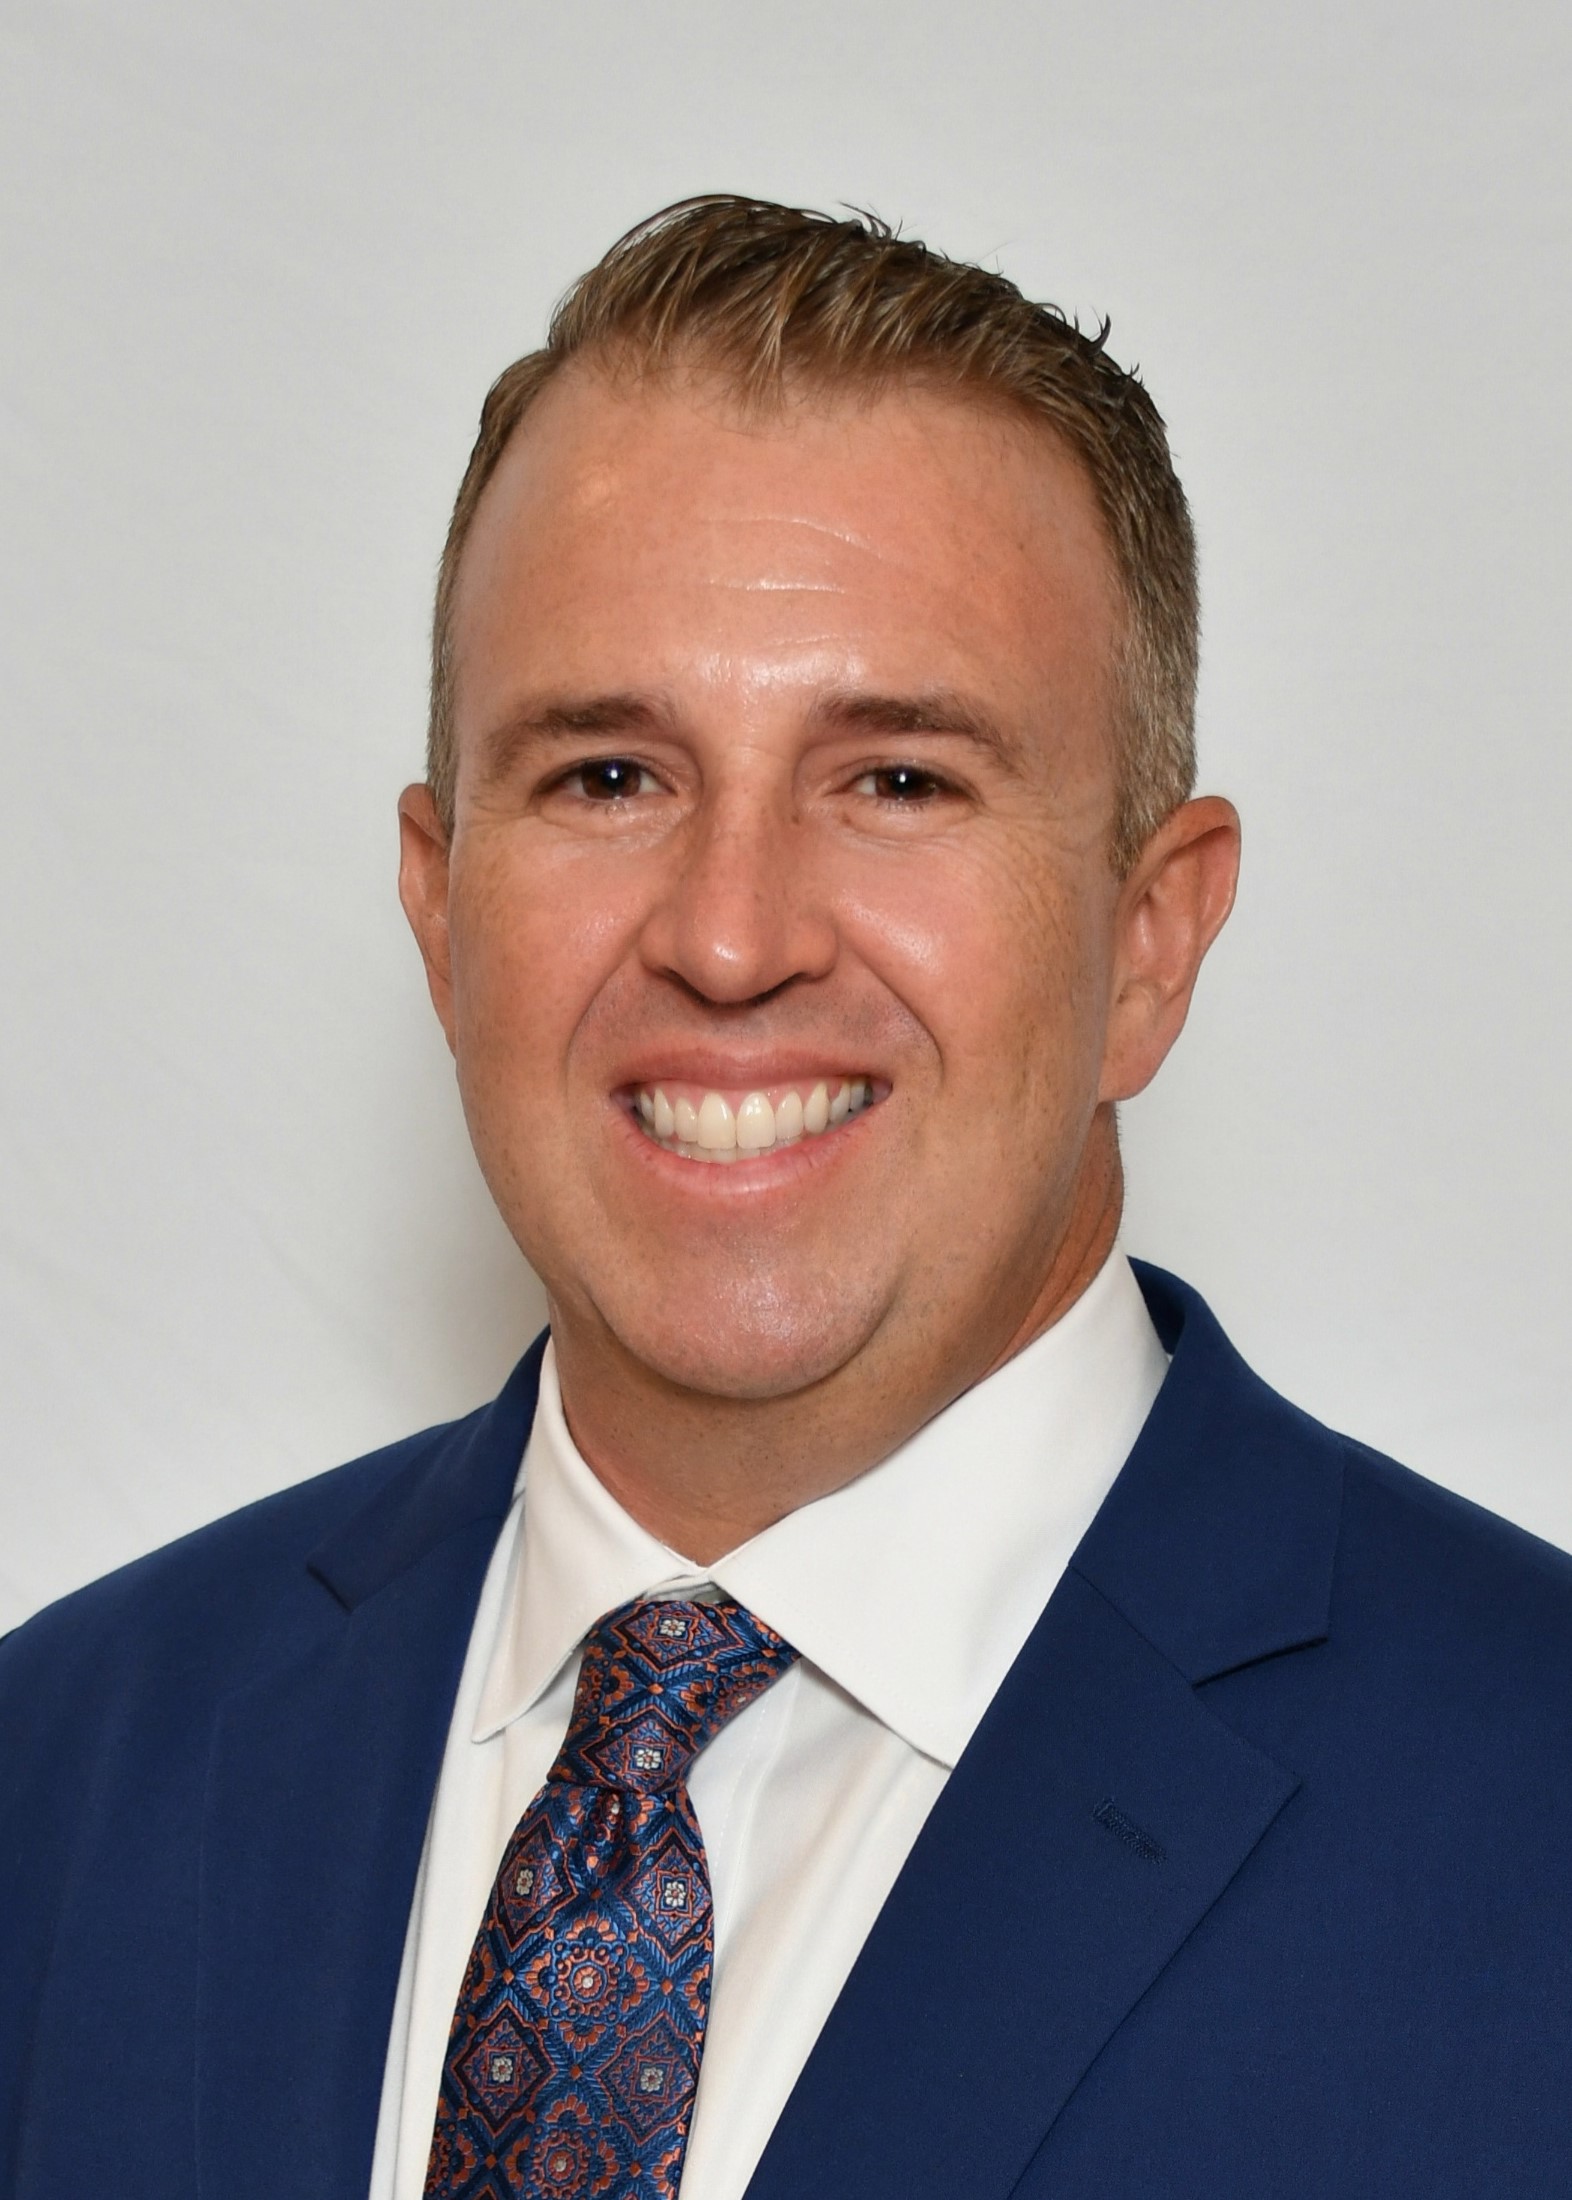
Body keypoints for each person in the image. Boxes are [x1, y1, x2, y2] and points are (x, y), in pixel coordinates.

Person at [3, 195, 1571, 2200]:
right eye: (607, 776)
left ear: (1152, 938)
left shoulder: (1536, 1818)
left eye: (899, 778)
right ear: (438, 903)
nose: (730, 938)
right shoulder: (58, 1779)